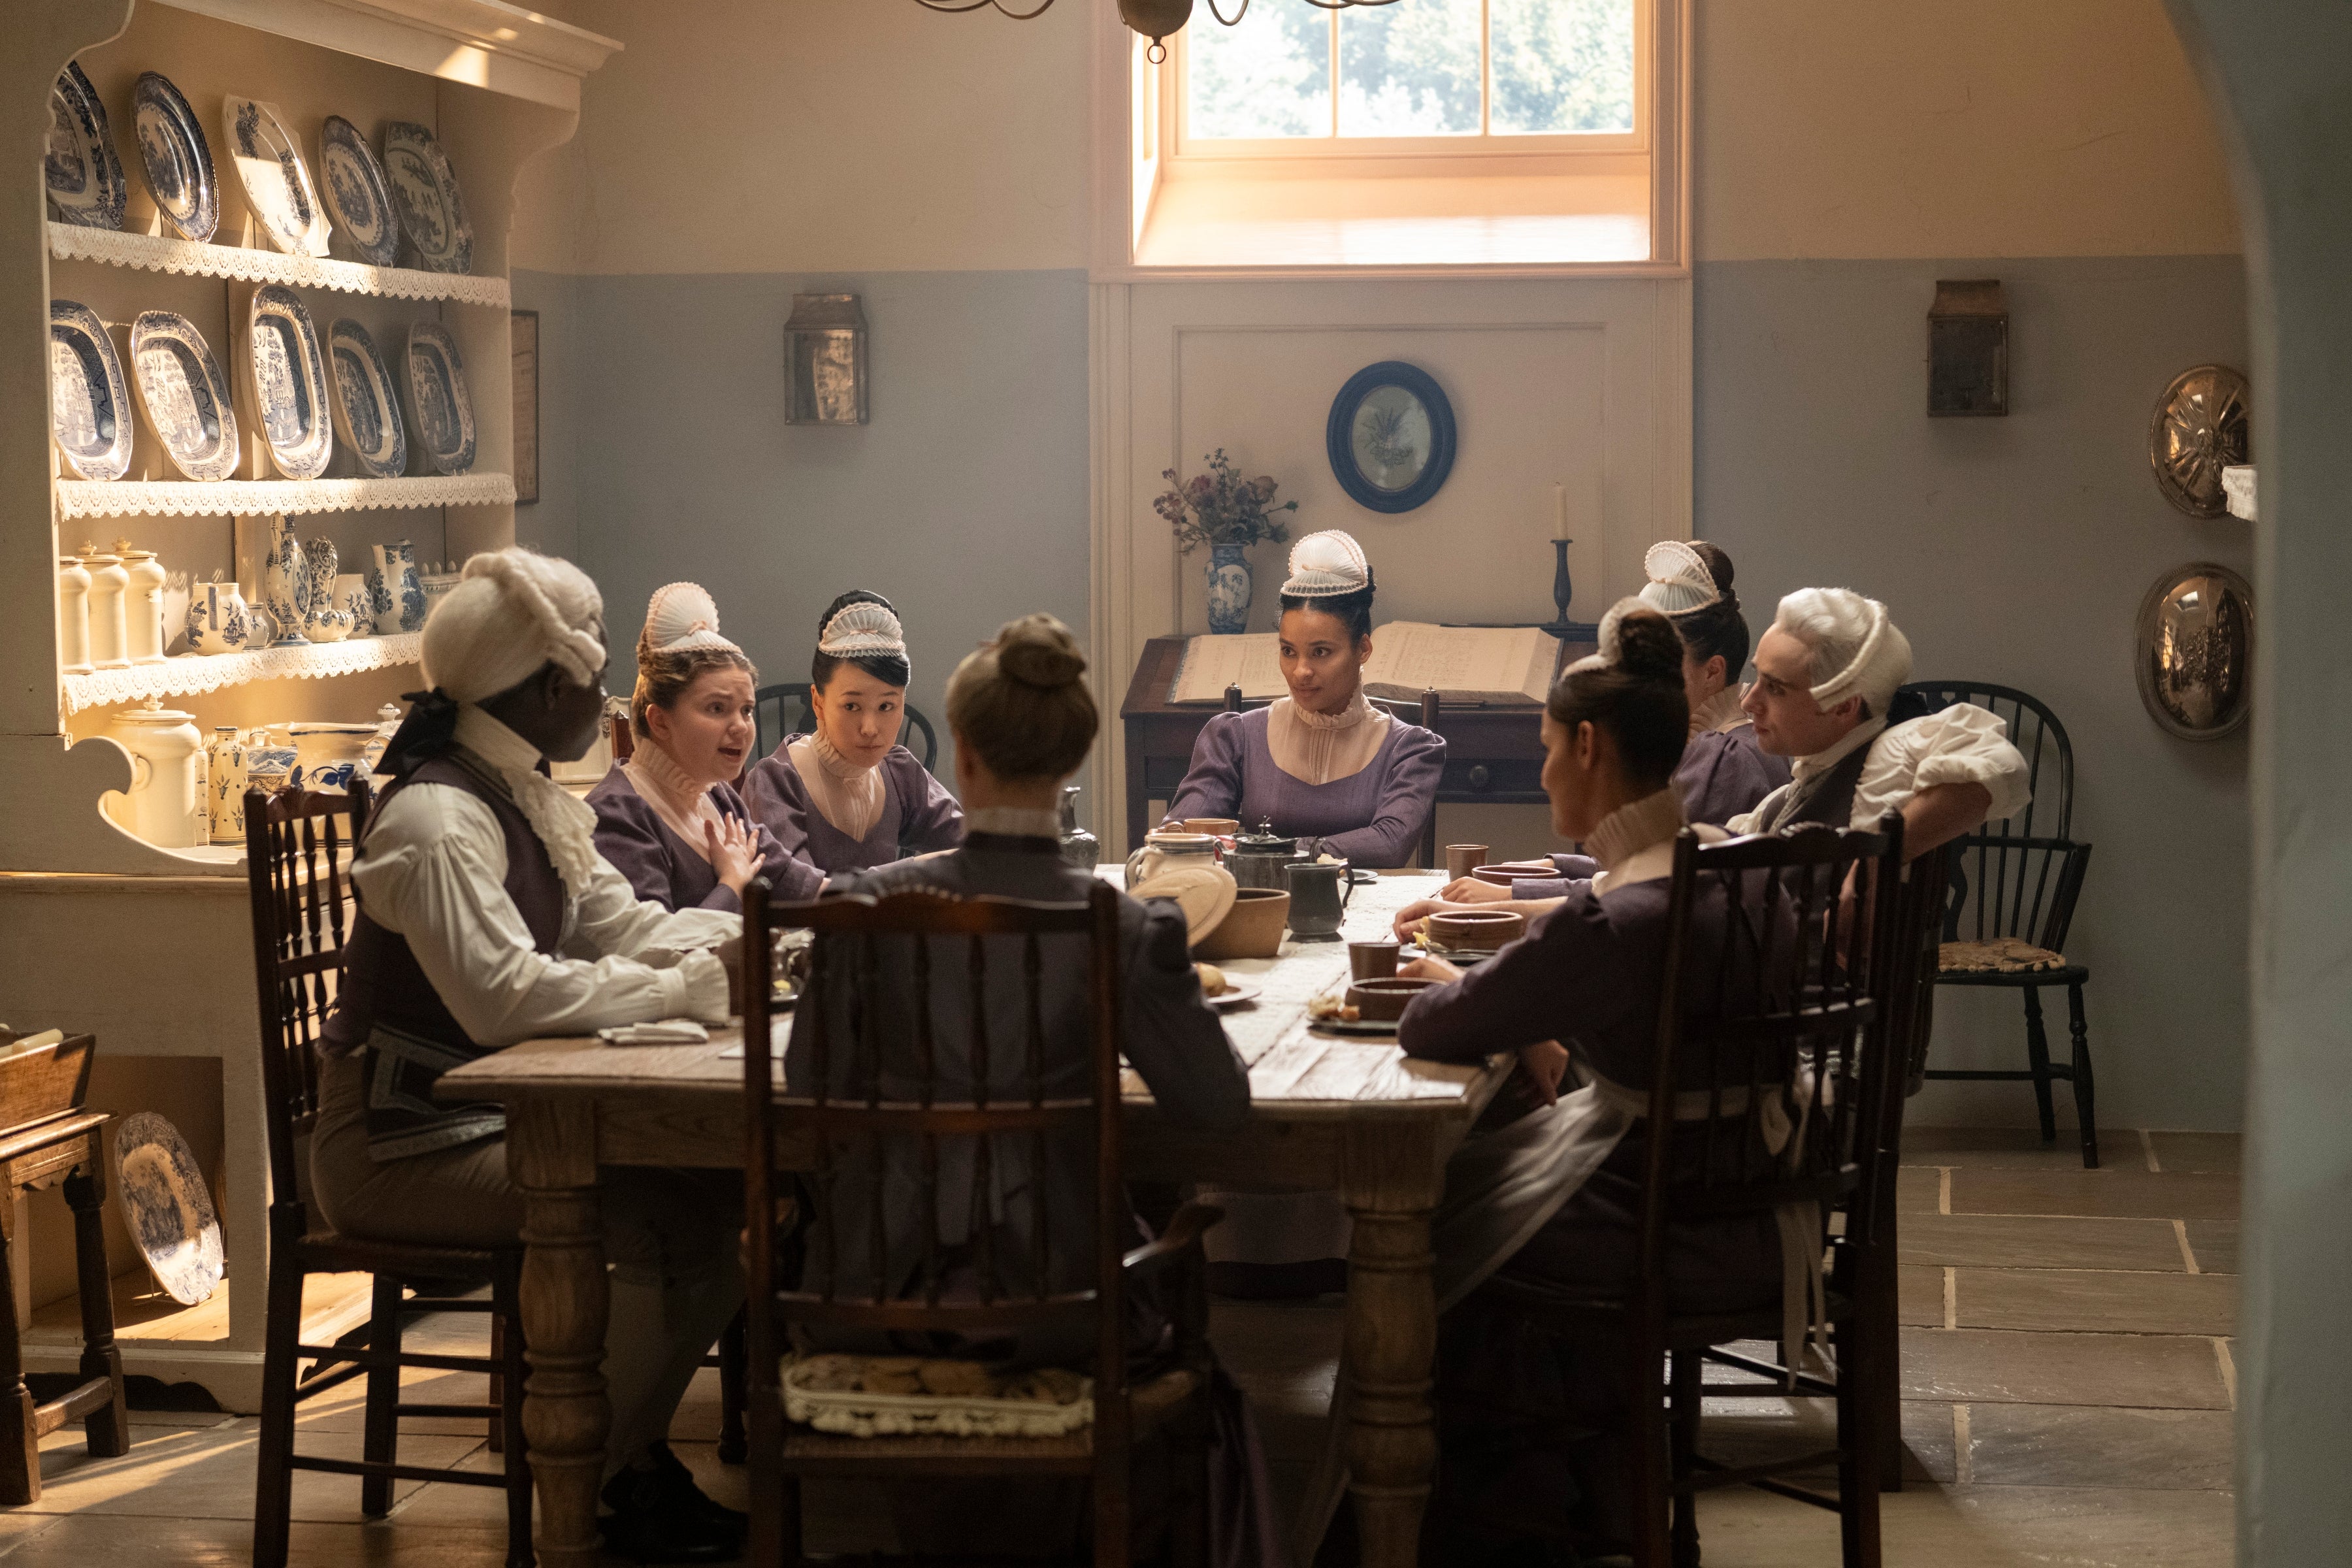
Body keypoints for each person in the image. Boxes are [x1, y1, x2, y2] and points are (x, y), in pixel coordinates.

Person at [783, 613, 1281, 1566]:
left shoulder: (864, 910)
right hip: (1061, 1301)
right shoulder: (1123, 926)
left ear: (959, 755)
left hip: (873, 1294)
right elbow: (1218, 1110)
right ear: (1072, 764)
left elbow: (812, 1091)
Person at [312, 550, 749, 1564]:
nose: (606, 705)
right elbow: (505, 999)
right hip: (395, 1144)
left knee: (722, 1206)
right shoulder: (436, 818)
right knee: (653, 1215)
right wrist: (688, 986)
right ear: (551, 687)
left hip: (483, 1118)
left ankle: (621, 1465)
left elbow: (623, 925)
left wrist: (754, 942)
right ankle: (580, 1483)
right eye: (593, 683)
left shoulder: (520, 791)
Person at [1371, 602, 1787, 1561]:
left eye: (1548, 747)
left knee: (1414, 1230)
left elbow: (1436, 1021)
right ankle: (1587, 1490)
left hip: (1659, 1220)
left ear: (1591, 747)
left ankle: (1490, 1517)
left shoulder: (1616, 915)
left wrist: (1469, 986)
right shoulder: (1731, 866)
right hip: (1750, 1202)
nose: (1543, 769)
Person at [1161, 530, 1445, 867]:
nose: (1300, 672)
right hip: (1263, 907)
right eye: (1288, 651)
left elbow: (1390, 844)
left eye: (1321, 652)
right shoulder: (1236, 736)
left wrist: (1266, 850)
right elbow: (1185, 834)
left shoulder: (1410, 749)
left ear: (1363, 649)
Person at [1727, 585, 2028, 845]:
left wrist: (1872, 865)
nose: (1749, 702)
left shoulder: (1888, 761)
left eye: (1776, 688)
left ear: (1845, 706)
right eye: (1758, 678)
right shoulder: (1798, 788)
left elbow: (1999, 763)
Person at [589, 581, 793, 910]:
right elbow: (655, 954)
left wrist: (903, 877)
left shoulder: (719, 796)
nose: (741, 727)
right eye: (717, 708)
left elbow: (800, 885)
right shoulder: (617, 813)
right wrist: (732, 883)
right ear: (660, 722)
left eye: (747, 710)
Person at [742, 590, 963, 881]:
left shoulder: (899, 773)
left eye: (887, 706)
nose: (870, 727)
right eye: (851, 706)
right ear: (818, 702)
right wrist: (919, 871)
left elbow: (973, 845)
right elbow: (797, 899)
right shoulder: (776, 783)